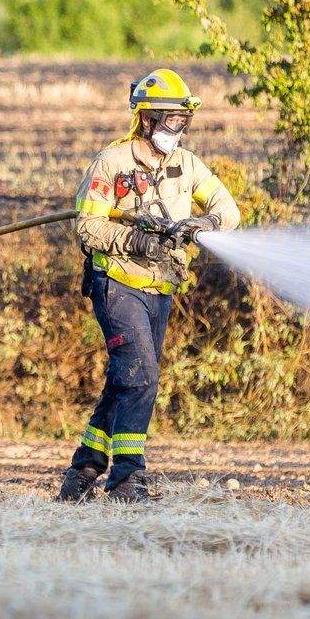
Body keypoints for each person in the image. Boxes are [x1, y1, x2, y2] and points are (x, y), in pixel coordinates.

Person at [62, 68, 241, 503]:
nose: (178, 129)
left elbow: (228, 208)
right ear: (147, 119)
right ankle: (126, 479)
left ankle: (83, 471)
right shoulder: (113, 163)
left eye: (183, 121)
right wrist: (133, 238)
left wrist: (205, 222)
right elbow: (87, 227)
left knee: (125, 379)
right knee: (141, 376)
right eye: (171, 120)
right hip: (117, 285)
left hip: (161, 290)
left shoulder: (187, 165)